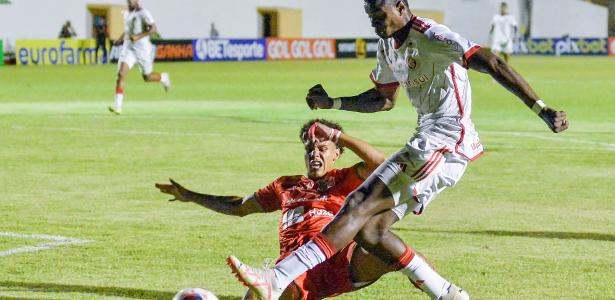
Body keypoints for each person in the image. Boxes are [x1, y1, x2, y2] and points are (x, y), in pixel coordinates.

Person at [227, 0, 569, 299]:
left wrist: (542, 109)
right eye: (369, 14)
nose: (375, 21)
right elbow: (383, 99)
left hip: (445, 143)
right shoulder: (388, 46)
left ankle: (278, 278)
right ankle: (447, 293)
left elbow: (492, 62)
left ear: (402, 7)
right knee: (370, 231)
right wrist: (331, 101)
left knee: (358, 203)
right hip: (429, 142)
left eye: (380, 12)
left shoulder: (432, 36)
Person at [158, 119, 468, 300]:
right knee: (263, 293)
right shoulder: (285, 185)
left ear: (337, 153)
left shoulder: (349, 179)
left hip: (343, 261)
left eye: (322, 148)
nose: (314, 154)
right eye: (310, 149)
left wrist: (338, 135)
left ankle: (441, 291)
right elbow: (239, 206)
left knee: (384, 248)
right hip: (297, 267)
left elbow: (383, 164)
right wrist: (191, 196)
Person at [108, 0, 171, 115]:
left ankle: (163, 78)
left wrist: (138, 37)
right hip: (129, 49)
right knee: (121, 74)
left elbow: (153, 29)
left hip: (142, 51)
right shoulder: (127, 13)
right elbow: (128, 31)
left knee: (147, 77)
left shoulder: (144, 13)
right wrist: (121, 39)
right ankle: (118, 106)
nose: (130, 1)